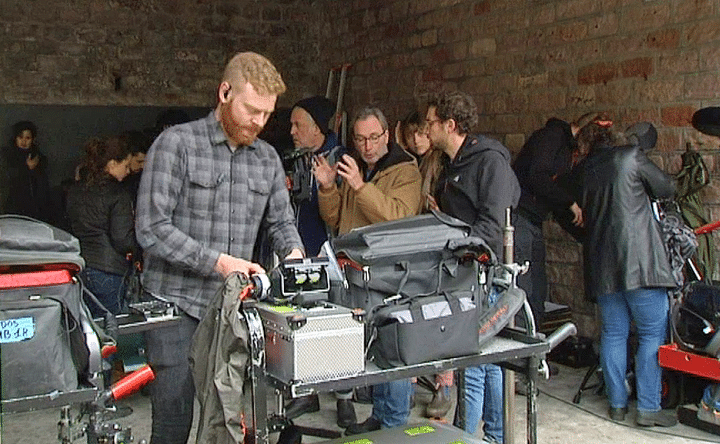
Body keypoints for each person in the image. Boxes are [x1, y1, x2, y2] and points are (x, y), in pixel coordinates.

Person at [135, 51, 304, 444]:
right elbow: (151, 228)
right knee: (174, 419)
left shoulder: (267, 159)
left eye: (267, 114)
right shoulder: (176, 144)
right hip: (175, 304)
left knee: (225, 419)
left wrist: (294, 255)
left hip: (230, 312)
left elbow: (281, 223)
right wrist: (218, 262)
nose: (259, 122)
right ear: (224, 92)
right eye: (251, 110)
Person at [314, 106, 422, 434]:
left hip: (390, 277)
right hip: (355, 274)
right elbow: (335, 220)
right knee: (372, 349)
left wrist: (361, 187)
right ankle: (379, 415)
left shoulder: (406, 171)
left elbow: (397, 217)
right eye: (359, 139)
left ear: (387, 135)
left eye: (373, 137)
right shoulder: (356, 168)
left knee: (394, 349)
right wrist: (328, 187)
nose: (367, 146)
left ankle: (393, 425)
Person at [425, 90, 520, 443]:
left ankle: (473, 437)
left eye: (431, 123)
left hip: (485, 272)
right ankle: (488, 437)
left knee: (478, 364)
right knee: (484, 364)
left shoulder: (489, 161)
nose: (427, 129)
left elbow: (493, 223)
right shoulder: (455, 163)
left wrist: (459, 248)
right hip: (465, 270)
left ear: (449, 125)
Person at [569, 120, 677, 427]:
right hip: (640, 262)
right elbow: (667, 187)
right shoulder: (630, 156)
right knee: (651, 334)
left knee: (613, 334)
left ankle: (617, 404)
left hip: (602, 267)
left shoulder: (583, 171)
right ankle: (648, 407)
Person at [283, 95, 355, 427]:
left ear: (317, 127)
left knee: (338, 325)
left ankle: (345, 399)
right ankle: (309, 393)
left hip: (332, 255)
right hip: (303, 254)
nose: (292, 131)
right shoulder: (299, 158)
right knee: (304, 324)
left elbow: (341, 210)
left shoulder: (340, 159)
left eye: (299, 124)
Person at [511, 113, 597, 326]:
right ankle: (524, 345)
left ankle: (533, 344)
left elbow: (552, 196)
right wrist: (570, 203)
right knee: (526, 288)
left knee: (538, 288)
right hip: (519, 217)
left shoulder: (563, 148)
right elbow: (537, 176)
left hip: (532, 220)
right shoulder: (552, 137)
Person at [66, 135, 138, 317]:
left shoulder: (75, 190)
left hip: (80, 267)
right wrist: (139, 249)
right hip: (110, 270)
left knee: (88, 327)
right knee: (113, 329)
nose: (129, 171)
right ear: (112, 164)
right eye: (126, 166)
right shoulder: (119, 194)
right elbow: (122, 239)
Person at [1, 120, 52, 223]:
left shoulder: (38, 158)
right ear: (15, 138)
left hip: (32, 210)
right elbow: (7, 179)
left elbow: (42, 186)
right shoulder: (6, 156)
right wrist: (26, 168)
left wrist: (34, 169)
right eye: (20, 137)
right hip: (10, 207)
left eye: (27, 138)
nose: (23, 141)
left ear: (33, 139)